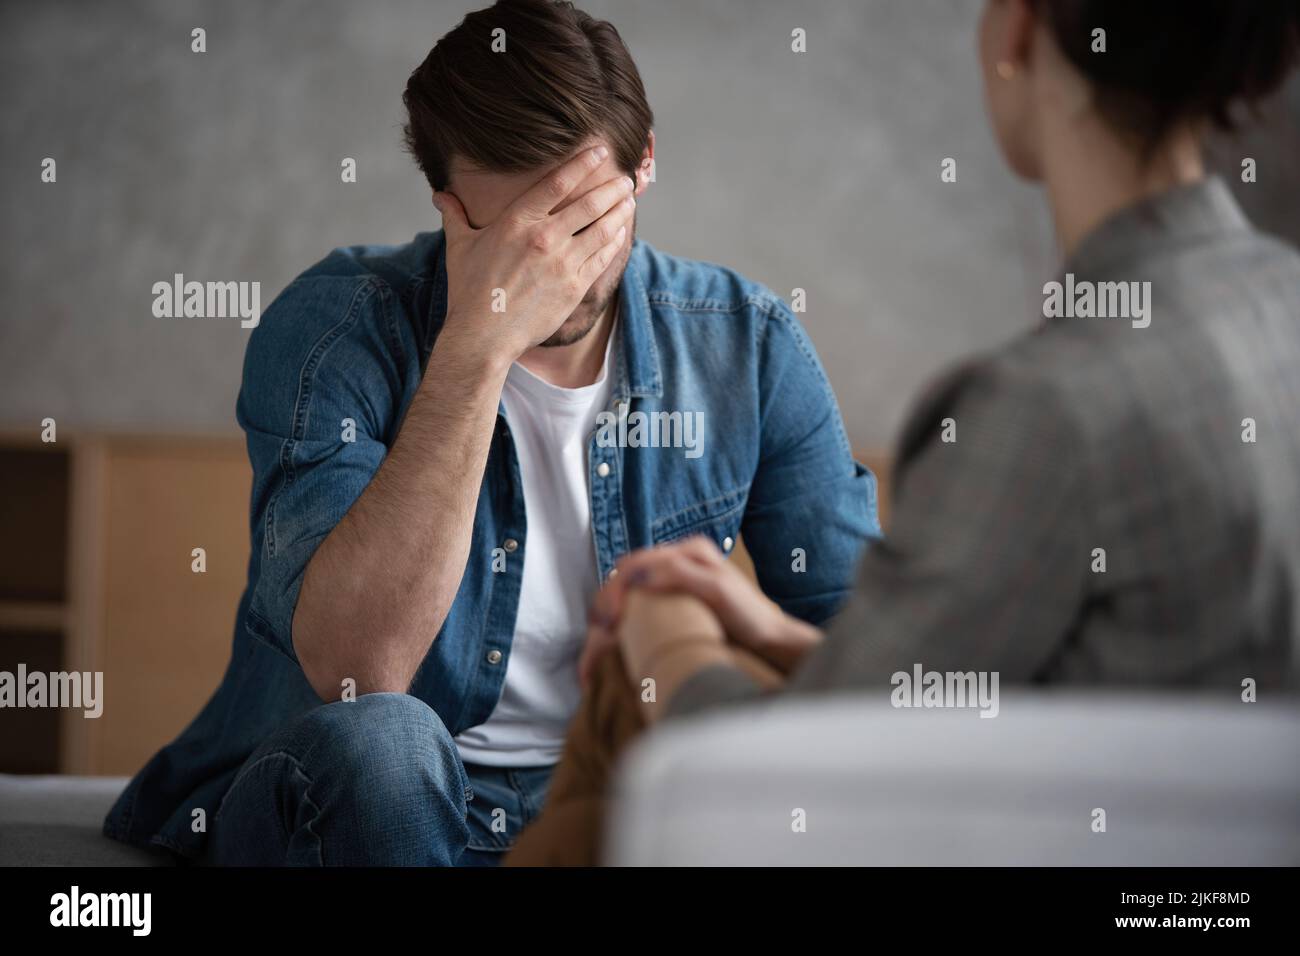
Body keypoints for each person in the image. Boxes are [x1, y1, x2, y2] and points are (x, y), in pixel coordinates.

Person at [507, 0, 1300, 865]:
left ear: (1018, 34)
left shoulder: (1045, 412)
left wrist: (667, 630)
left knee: (609, 756)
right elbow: (1035, 697)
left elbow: (819, 774)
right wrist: (775, 635)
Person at [102, 0, 879, 865]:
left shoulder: (748, 342)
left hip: (601, 800)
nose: (554, 270)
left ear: (645, 164)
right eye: (510, 235)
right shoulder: (334, 328)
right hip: (359, 796)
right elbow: (362, 669)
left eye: (581, 222)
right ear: (445, 206)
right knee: (386, 740)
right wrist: (479, 341)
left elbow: (867, 653)